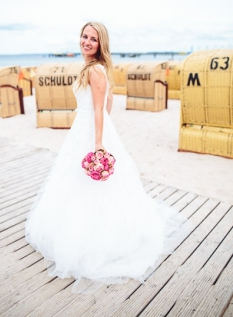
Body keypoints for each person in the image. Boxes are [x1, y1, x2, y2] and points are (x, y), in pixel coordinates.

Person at [24, 22, 190, 294]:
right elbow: (108, 102)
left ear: (101, 45)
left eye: (93, 39)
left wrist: (99, 142)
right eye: (84, 36)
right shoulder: (90, 68)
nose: (87, 42)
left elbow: (101, 108)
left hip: (91, 132)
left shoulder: (96, 70)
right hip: (83, 128)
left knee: (96, 185)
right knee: (74, 183)